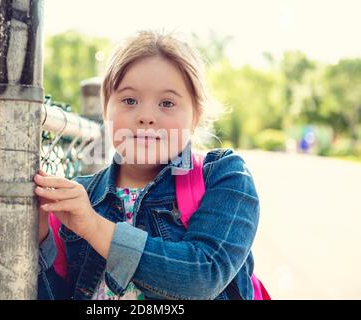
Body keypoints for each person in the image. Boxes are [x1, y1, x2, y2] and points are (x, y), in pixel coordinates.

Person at [35, 30, 260, 300]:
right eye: (129, 100)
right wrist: (39, 240)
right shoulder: (80, 197)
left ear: (195, 115)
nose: (146, 117)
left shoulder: (225, 176)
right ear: (107, 109)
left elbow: (204, 276)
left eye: (167, 103)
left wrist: (93, 226)